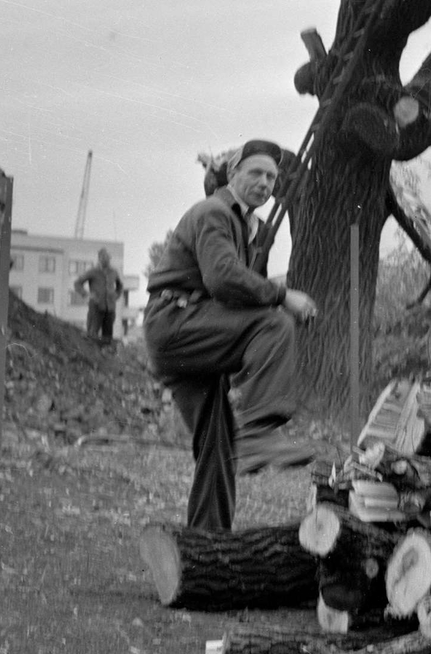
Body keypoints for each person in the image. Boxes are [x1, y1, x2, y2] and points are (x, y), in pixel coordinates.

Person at [144, 139, 322, 531]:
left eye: (271, 178)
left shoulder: (243, 225)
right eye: (255, 173)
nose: (264, 183)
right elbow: (223, 278)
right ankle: (259, 433)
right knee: (274, 323)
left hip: (186, 331)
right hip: (178, 322)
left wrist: (273, 289)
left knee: (217, 445)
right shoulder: (214, 212)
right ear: (234, 173)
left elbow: (235, 285)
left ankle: (207, 545)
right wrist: (281, 295)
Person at [74, 248, 125, 347]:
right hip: (96, 307)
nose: (106, 260)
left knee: (107, 338)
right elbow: (77, 283)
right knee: (92, 336)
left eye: (108, 258)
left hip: (110, 308)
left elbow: (120, 286)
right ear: (99, 258)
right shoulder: (92, 271)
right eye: (104, 257)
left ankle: (106, 357)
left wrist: (116, 295)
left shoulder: (113, 272)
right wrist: (86, 294)